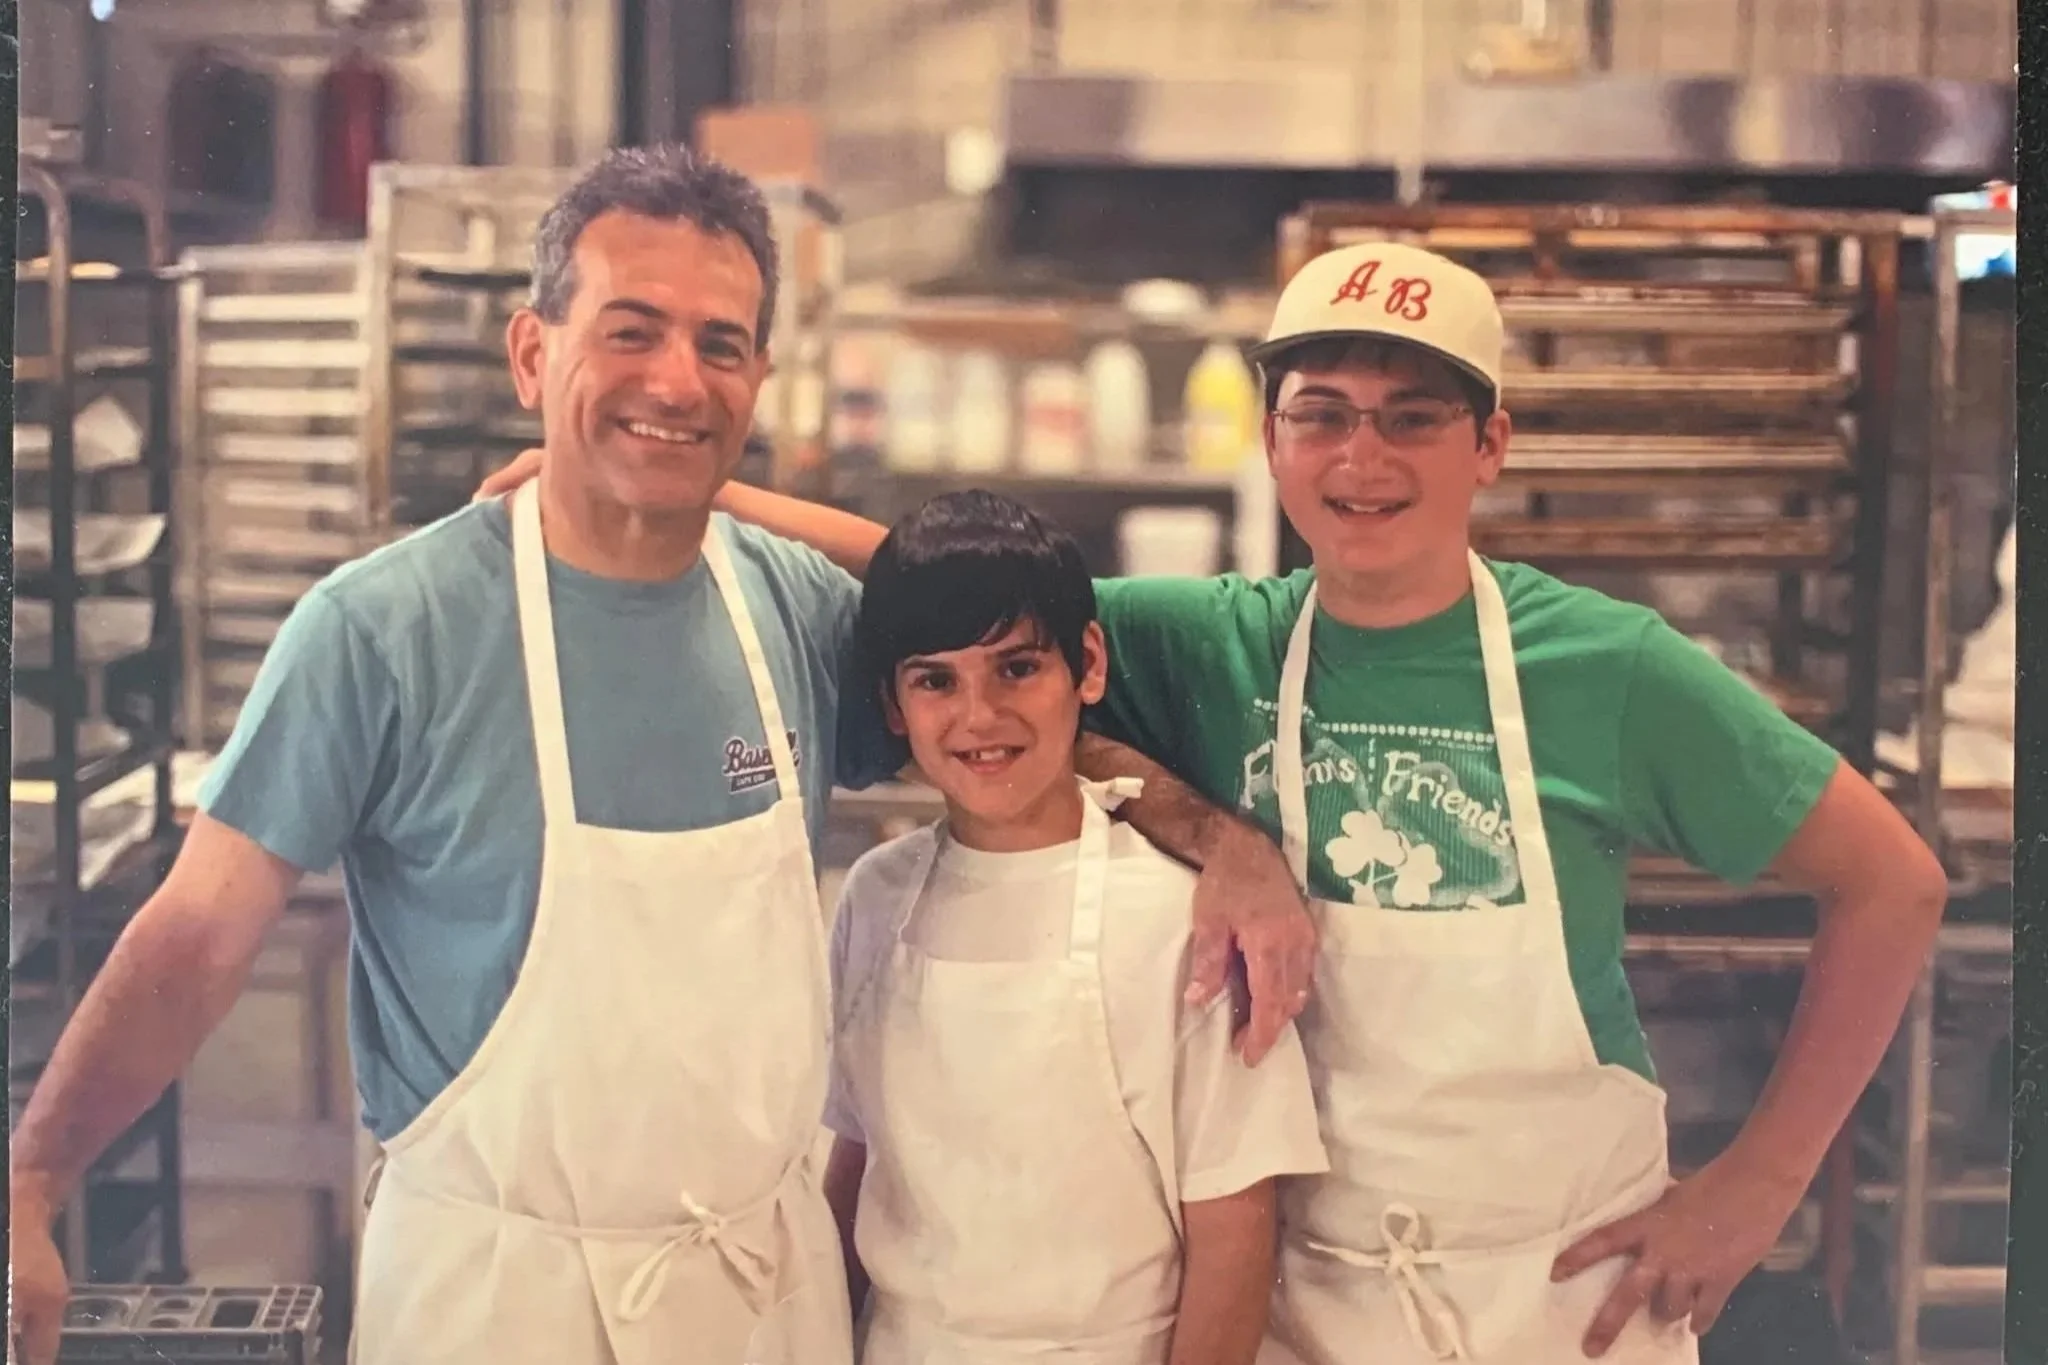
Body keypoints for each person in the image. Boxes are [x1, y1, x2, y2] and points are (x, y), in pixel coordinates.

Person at [486, 239, 1951, 1362]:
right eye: (1322, 413)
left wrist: (1760, 1182)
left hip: (1559, 1302)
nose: (1361, 459)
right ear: (1271, 433)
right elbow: (944, 583)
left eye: (1412, 418)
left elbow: (1893, 884)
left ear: (1490, 442)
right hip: (1309, 1308)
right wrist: (659, 488)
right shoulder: (1221, 642)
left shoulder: (1605, 669)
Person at [9, 142, 1312, 1365]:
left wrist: (1223, 843)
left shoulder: (791, 611)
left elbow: (998, 671)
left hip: (756, 1289)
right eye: (629, 332)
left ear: (756, 380)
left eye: (720, 346)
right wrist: (34, 1176)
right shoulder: (383, 629)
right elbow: (197, 937)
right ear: (533, 352)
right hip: (495, 1292)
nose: (677, 380)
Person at [819, 490, 1329, 1365]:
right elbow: (859, 1167)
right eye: (936, 680)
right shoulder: (875, 895)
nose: (980, 715)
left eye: (1017, 668)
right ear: (893, 704)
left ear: (1087, 665)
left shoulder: (1179, 919)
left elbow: (1235, 1239)